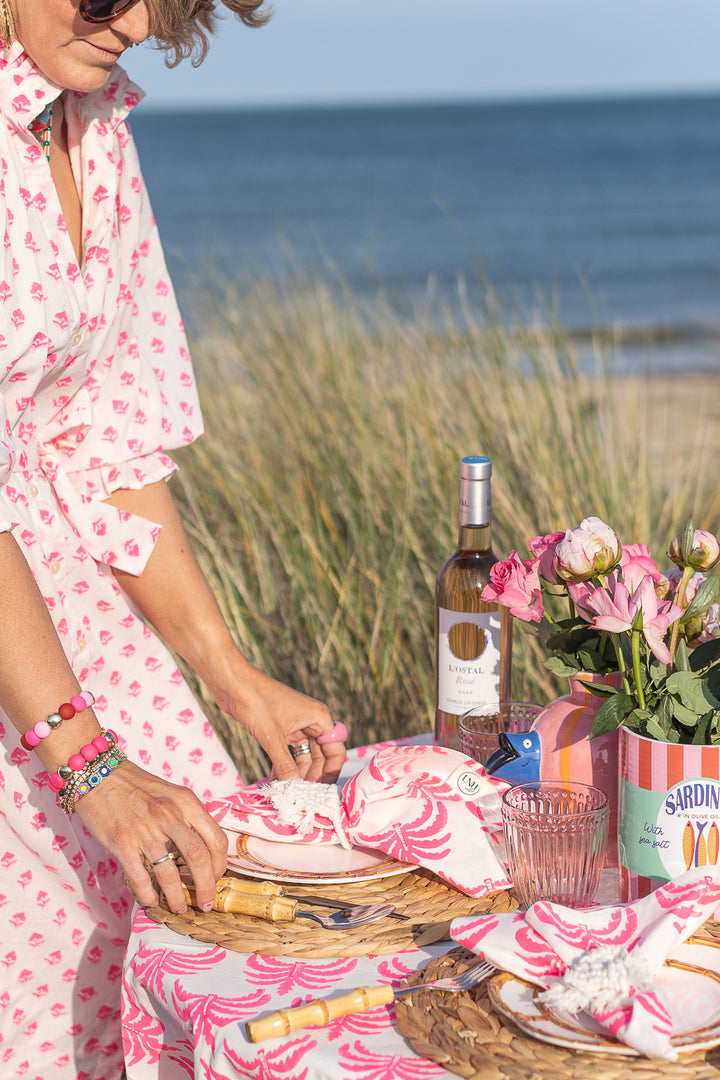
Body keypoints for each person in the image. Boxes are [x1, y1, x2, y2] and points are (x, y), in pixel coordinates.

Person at [0, 0, 348, 1076]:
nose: (140, 23)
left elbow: (108, 439)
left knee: (205, 914)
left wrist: (231, 679)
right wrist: (89, 763)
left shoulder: (89, 118)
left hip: (70, 605)